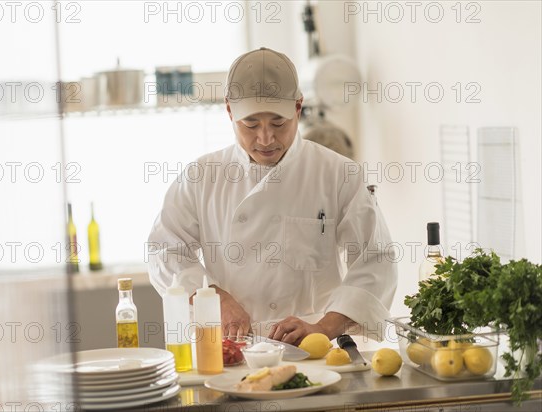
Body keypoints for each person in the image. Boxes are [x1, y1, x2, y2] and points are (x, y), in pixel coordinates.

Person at [148, 47, 397, 345]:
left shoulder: (338, 174)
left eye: (278, 123)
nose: (265, 138)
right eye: (251, 124)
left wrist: (325, 326)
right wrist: (213, 298)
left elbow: (376, 260)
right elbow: (164, 251)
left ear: (298, 107)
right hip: (230, 348)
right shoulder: (201, 177)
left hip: (315, 349)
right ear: (229, 111)